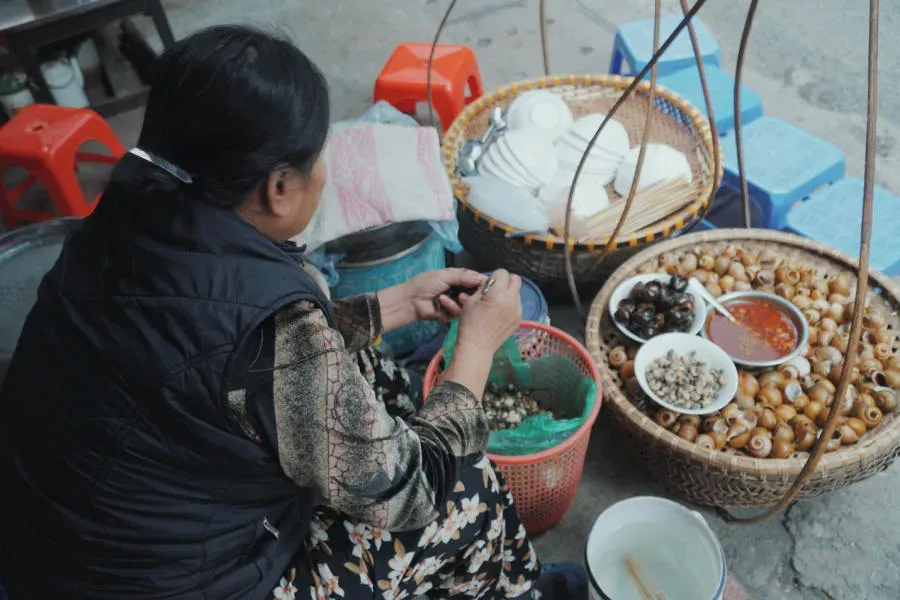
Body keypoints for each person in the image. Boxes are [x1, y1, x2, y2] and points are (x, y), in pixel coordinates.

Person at [0, 26, 588, 600]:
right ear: (279, 187)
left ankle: (504, 574)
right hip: (179, 577)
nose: (324, 173)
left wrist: (401, 302)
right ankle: (515, 584)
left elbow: (225, 354)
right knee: (464, 486)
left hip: (70, 543)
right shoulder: (271, 326)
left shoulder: (125, 212)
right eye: (317, 158)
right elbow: (414, 489)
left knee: (380, 381)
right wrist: (477, 346)